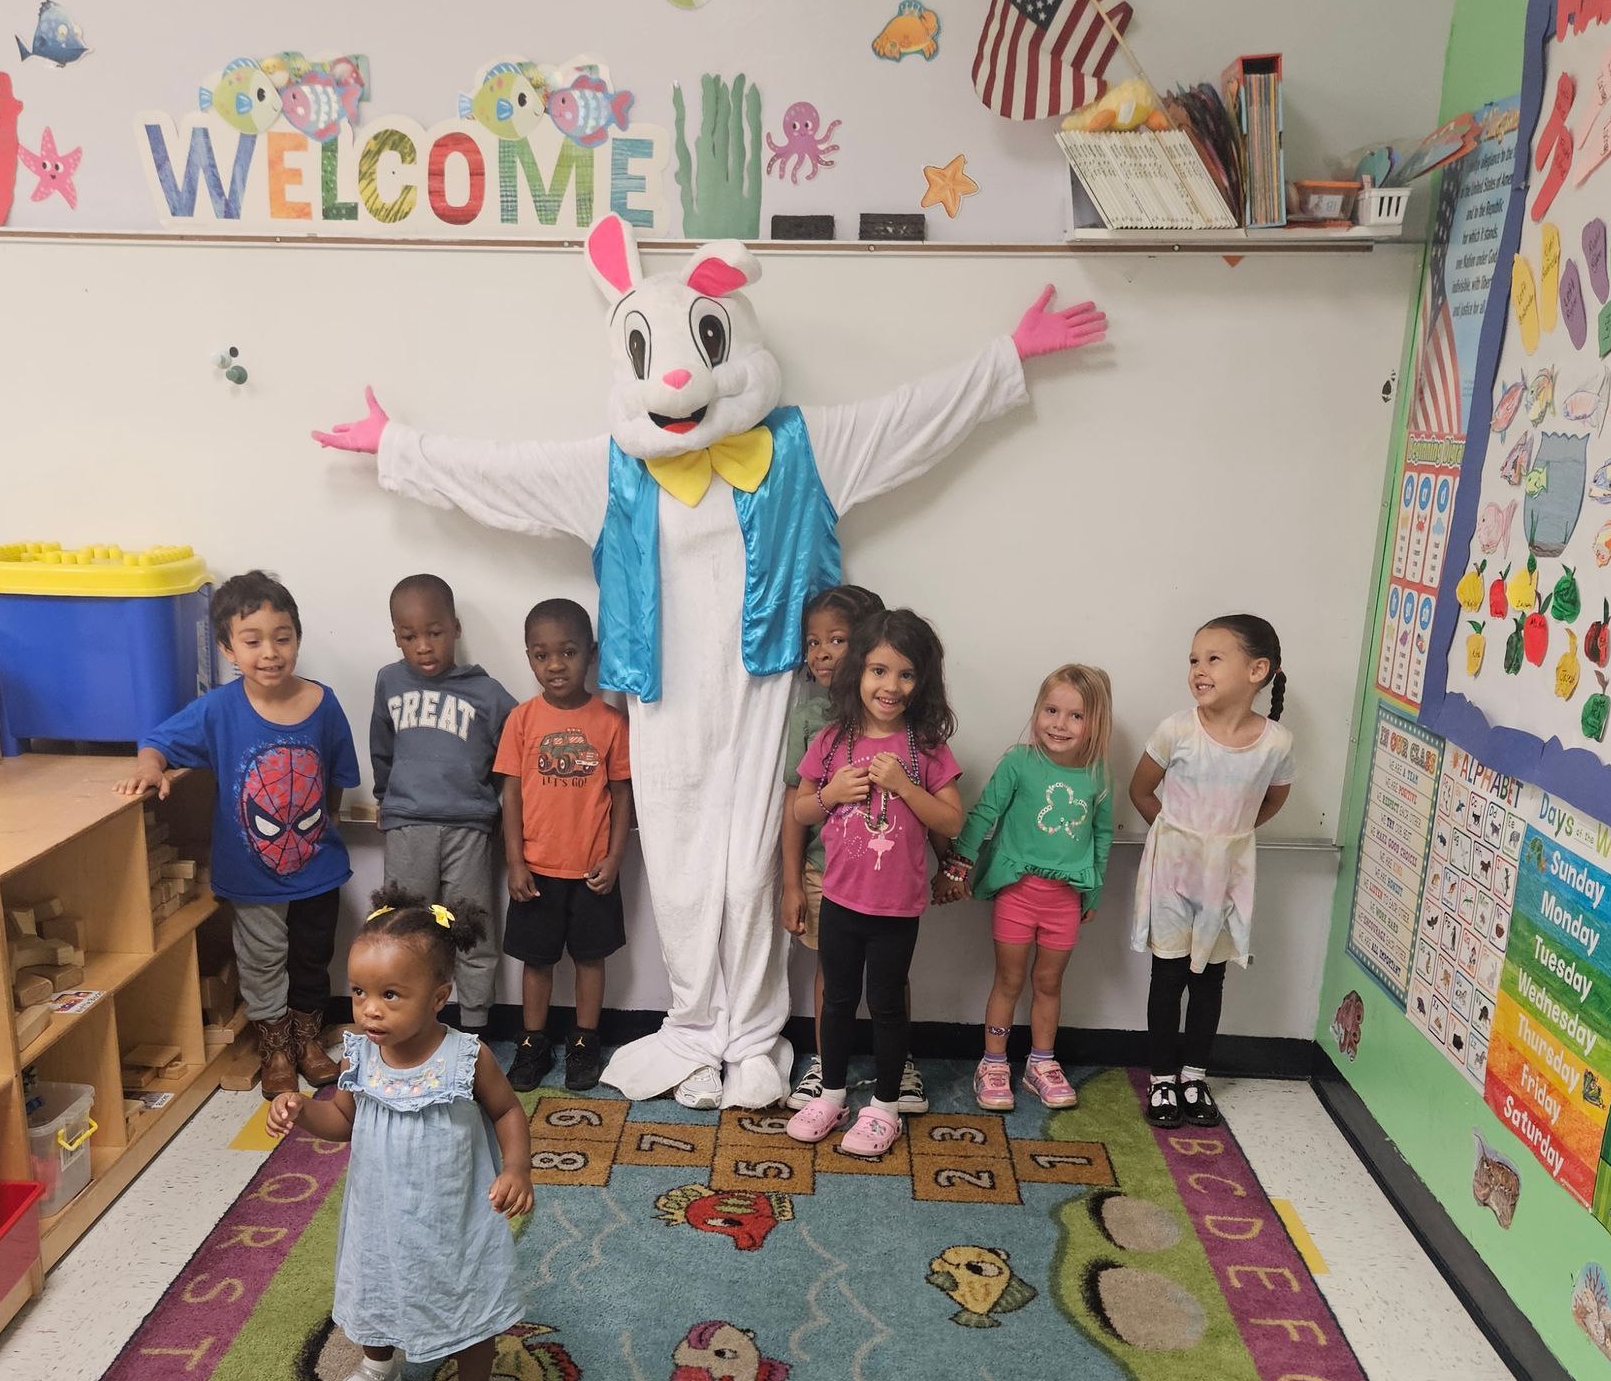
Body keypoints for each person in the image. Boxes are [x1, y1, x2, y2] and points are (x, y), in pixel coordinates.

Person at [313, 218, 1107, 1110]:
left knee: (752, 862)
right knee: (688, 866)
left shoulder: (803, 449)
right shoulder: (611, 468)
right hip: (661, 696)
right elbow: (501, 477)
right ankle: (694, 1025)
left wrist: (1008, 358)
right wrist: (399, 448)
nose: (682, 383)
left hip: (771, 686)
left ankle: (755, 1033)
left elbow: (911, 420)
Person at [266, 892, 533, 1381]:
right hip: (379, 1209)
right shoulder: (358, 1056)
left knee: (465, 1293)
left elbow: (508, 1111)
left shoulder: (467, 1057)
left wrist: (516, 1168)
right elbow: (341, 1118)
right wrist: (299, 1108)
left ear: (439, 996)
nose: (370, 1010)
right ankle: (378, 1367)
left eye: (391, 995)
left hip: (452, 1212)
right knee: (375, 1281)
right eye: (360, 992)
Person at [118, 570, 358, 1099]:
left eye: (283, 637)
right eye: (252, 641)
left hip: (318, 869)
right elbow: (157, 740)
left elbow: (337, 776)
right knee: (262, 960)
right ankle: (275, 1049)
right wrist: (151, 765)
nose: (270, 652)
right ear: (228, 647)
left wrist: (332, 827)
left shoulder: (324, 702)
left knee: (312, 957)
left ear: (298, 637)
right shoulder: (217, 710)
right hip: (251, 878)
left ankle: (307, 1042)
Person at [785, 609, 963, 1158]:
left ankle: (884, 1106)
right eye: (879, 671)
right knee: (836, 1001)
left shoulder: (927, 747)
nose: (891, 686)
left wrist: (905, 786)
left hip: (896, 909)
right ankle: (833, 1093)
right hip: (839, 899)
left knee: (886, 1005)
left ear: (922, 681)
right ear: (857, 673)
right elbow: (800, 809)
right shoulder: (834, 741)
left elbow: (952, 821)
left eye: (906, 675)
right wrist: (832, 792)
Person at [1129, 614, 1293, 1129]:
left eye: (1213, 658)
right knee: (1169, 974)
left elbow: (1272, 800)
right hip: (1172, 872)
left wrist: (1226, 839)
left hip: (1228, 875)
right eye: (1194, 659)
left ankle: (1194, 1078)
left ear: (1257, 670)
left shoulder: (1276, 743)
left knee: (1210, 979)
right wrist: (1181, 837)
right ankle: (1161, 1080)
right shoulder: (1176, 729)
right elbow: (1141, 790)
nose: (1199, 669)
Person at [943, 664, 1114, 1109]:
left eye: (1076, 716)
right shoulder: (1019, 761)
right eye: (1051, 710)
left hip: (1065, 901)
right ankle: (993, 1062)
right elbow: (983, 813)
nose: (1059, 724)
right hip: (1017, 895)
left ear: (1096, 722)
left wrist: (1093, 890)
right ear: (1037, 711)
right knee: (1009, 979)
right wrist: (958, 863)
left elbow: (1102, 835)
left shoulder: (1098, 775)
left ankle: (1041, 1063)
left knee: (1049, 983)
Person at [494, 598, 633, 1092]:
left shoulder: (612, 722)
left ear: (591, 654)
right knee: (537, 961)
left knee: (590, 959)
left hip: (592, 872)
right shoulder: (522, 720)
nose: (555, 665)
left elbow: (621, 794)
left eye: (568, 652)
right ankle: (533, 1042)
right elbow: (510, 793)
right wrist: (515, 861)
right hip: (536, 868)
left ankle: (584, 1041)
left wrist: (615, 858)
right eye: (541, 655)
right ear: (529, 657)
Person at [370, 572, 516, 1038]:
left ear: (454, 628)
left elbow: (514, 754)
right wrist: (382, 798)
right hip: (407, 826)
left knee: (471, 931)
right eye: (410, 637)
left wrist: (489, 801)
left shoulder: (487, 692)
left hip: (469, 830)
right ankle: (408, 1026)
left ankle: (473, 1031)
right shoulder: (389, 682)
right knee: (404, 934)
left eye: (434, 633)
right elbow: (382, 748)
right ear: (396, 636)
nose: (424, 646)